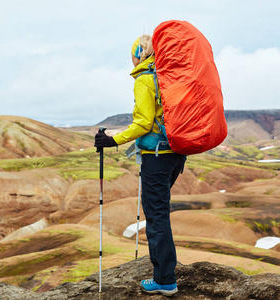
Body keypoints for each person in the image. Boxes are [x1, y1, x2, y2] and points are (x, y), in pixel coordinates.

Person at [94, 35, 186, 296]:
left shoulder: (146, 78)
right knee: (159, 212)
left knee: (157, 217)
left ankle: (165, 279)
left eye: (132, 53)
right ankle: (163, 273)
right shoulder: (169, 76)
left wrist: (113, 140)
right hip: (175, 154)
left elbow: (144, 123)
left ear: (139, 53)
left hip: (157, 156)